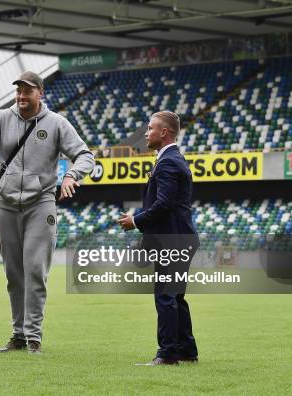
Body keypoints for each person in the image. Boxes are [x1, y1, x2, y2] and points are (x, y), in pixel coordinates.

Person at [0, 71, 95, 354]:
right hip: (4, 205)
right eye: (18, 91)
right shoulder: (1, 119)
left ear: (41, 93)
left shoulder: (56, 124)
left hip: (40, 204)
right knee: (14, 274)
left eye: (27, 91)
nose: (21, 96)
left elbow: (85, 155)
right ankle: (17, 335)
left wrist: (71, 175)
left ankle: (34, 337)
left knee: (35, 271)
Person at [117, 111, 199, 365]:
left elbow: (164, 204)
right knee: (175, 296)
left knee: (165, 296)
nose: (146, 133)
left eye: (150, 128)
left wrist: (136, 220)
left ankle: (167, 354)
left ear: (164, 133)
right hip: (179, 237)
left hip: (172, 240)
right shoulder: (171, 159)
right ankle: (186, 350)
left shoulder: (169, 162)